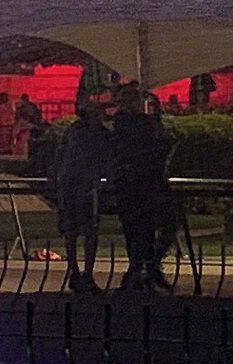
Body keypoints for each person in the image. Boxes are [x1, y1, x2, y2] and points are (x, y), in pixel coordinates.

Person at [110, 89, 179, 292]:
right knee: (147, 227)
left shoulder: (124, 124)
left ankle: (142, 268)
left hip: (134, 183)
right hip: (144, 183)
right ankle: (147, 267)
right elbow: (157, 144)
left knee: (136, 229)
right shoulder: (136, 124)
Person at [46, 98, 114, 292]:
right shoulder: (96, 134)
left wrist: (55, 175)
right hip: (83, 184)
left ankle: (78, 272)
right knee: (84, 229)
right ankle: (81, 272)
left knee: (75, 229)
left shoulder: (74, 131)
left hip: (74, 182)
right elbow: (107, 159)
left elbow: (60, 155)